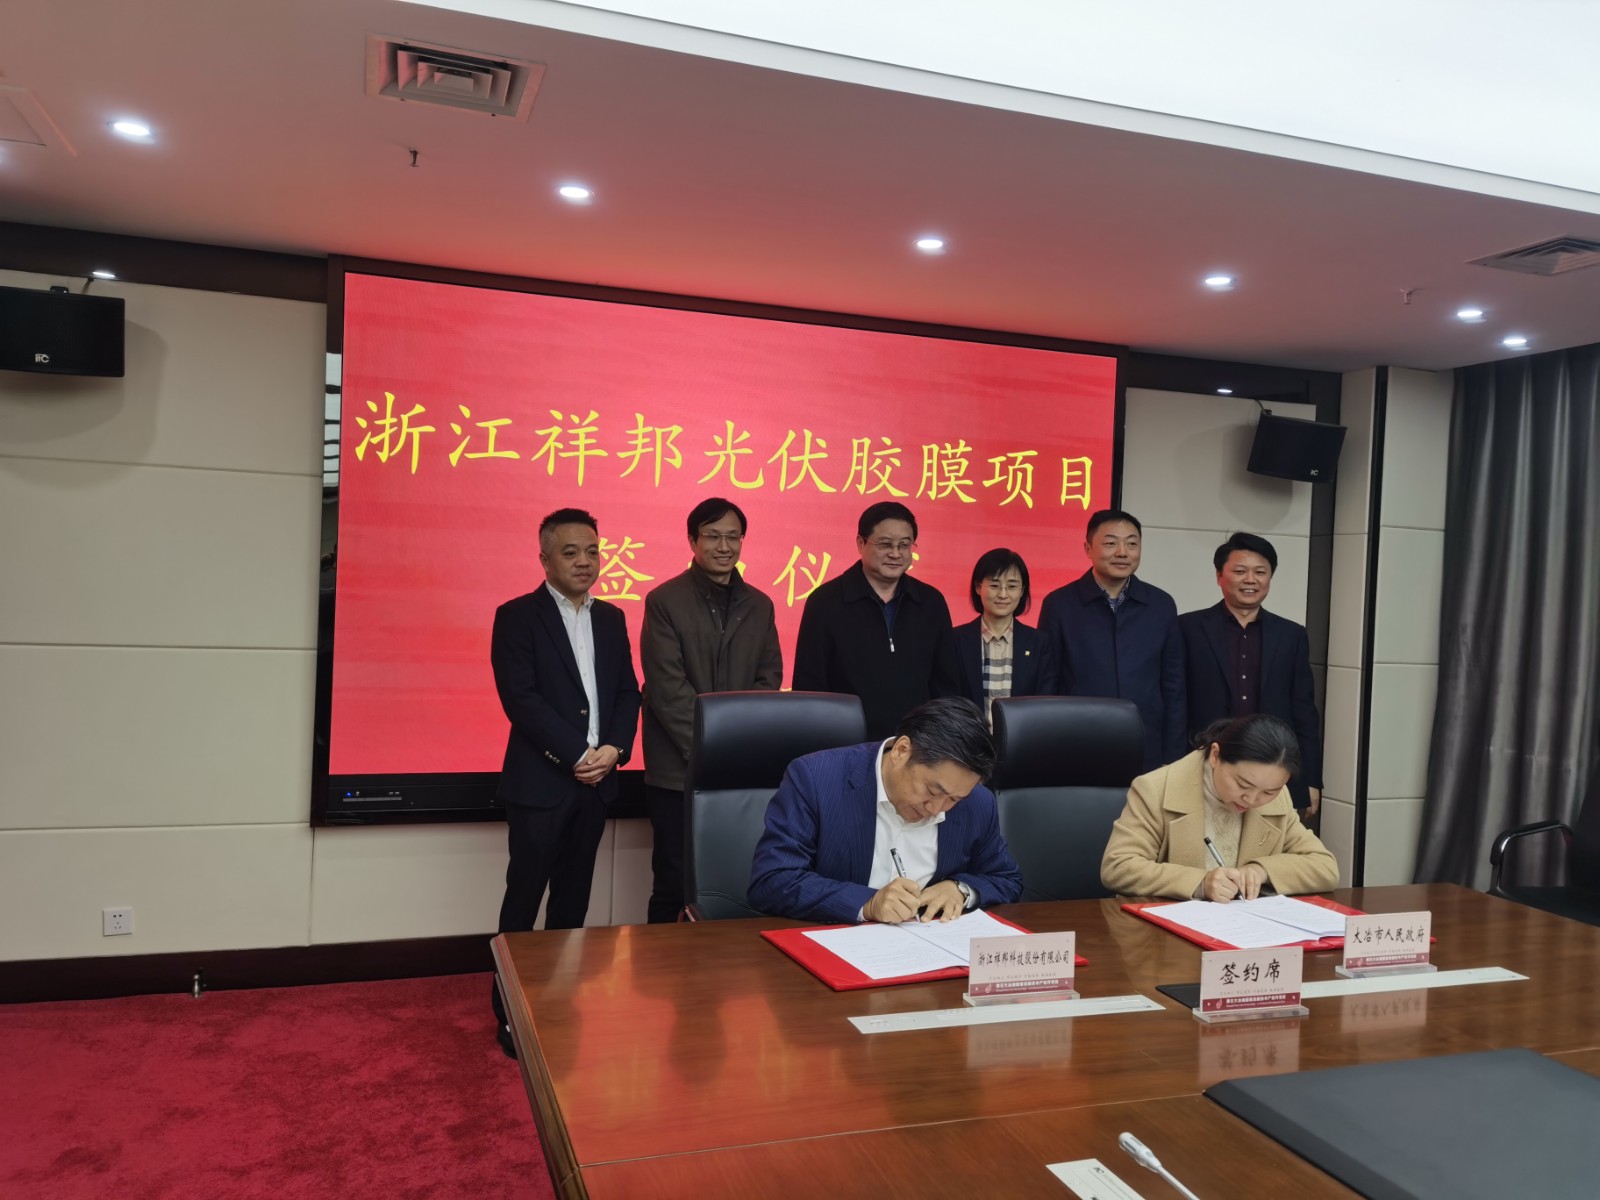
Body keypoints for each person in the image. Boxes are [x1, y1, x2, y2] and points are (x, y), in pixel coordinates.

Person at [489, 508, 642, 1055]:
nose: (584, 561)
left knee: (572, 904)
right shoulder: (517, 616)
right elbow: (521, 699)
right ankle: (510, 1012)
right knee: (523, 901)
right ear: (545, 559)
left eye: (592, 551)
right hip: (541, 784)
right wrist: (577, 753)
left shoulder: (612, 618)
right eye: (571, 552)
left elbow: (627, 693)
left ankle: (555, 1005)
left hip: (597, 784)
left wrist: (615, 750)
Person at [748, 698, 1023, 925]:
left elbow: (1006, 879)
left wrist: (960, 889)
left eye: (953, 799)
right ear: (901, 751)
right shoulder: (816, 779)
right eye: (932, 791)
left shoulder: (977, 803)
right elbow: (773, 881)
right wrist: (868, 903)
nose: (936, 809)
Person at [640, 497, 783, 923]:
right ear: (692, 540)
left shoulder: (760, 605)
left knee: (732, 880)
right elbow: (666, 688)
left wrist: (737, 748)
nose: (724, 546)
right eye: (713, 536)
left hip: (739, 774)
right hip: (676, 772)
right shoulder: (664, 600)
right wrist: (710, 750)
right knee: (673, 882)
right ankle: (661, 964)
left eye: (733, 537)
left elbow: (768, 680)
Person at [1100, 713, 1337, 901]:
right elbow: (1118, 867)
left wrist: (1261, 871)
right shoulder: (1156, 789)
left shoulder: (1278, 797)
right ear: (1215, 755)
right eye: (1243, 785)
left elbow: (1324, 867)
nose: (1252, 800)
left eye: (1268, 792)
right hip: (1164, 935)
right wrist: (1200, 883)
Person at [1179, 531, 1323, 816]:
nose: (1250, 579)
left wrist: (1310, 779)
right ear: (1219, 576)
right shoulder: (1187, 629)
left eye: (1260, 572)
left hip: (1271, 770)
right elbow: (1175, 703)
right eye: (1240, 571)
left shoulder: (1291, 635)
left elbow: (1304, 711)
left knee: (1268, 842)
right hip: (1204, 764)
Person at [1037, 508, 1185, 772]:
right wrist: (1048, 746)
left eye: (1132, 544)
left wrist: (1172, 755)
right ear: (1088, 548)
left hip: (1146, 746)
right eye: (1110, 543)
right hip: (1077, 744)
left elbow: (1173, 684)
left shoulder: (1161, 605)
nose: (1122, 552)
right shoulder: (1060, 605)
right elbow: (1049, 682)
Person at [792, 501, 953, 740]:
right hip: (845, 744)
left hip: (917, 746)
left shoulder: (931, 602)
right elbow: (809, 687)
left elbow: (946, 685)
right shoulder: (825, 602)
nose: (896, 554)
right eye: (885, 544)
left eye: (905, 545)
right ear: (861, 543)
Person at [940, 547, 1055, 725]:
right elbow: (948, 702)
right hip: (969, 740)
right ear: (978, 587)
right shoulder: (955, 640)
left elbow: (1044, 705)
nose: (1003, 594)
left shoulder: (1039, 643)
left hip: (1024, 739)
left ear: (1022, 590)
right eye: (994, 585)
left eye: (1012, 586)